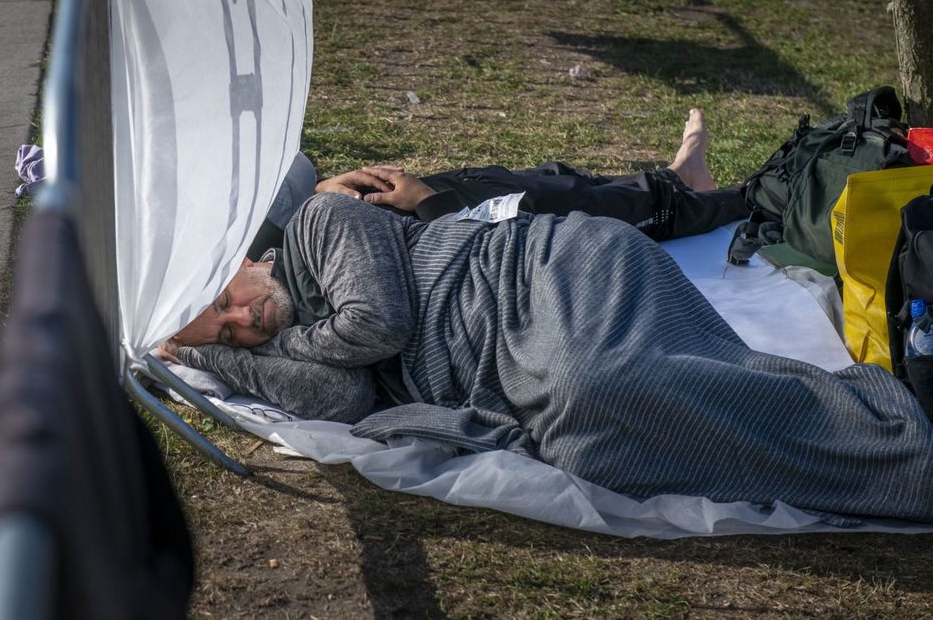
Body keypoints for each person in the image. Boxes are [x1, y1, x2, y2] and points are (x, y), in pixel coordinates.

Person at [161, 111, 933, 523]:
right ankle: (874, 445)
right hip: (511, 364)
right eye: (228, 332)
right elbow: (344, 400)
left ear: (240, 258)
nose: (244, 321)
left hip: (548, 275)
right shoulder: (270, 337)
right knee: (595, 441)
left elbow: (379, 327)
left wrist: (286, 340)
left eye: (226, 301)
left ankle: (898, 442)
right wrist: (210, 359)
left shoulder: (320, 225)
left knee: (597, 386)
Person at [247, 110, 747, 259]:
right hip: (452, 225)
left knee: (558, 181)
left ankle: (680, 177)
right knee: (582, 208)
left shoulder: (238, 245)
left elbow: (295, 170)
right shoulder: (270, 297)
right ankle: (746, 195)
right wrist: (430, 203)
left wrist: (324, 192)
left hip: (448, 197)